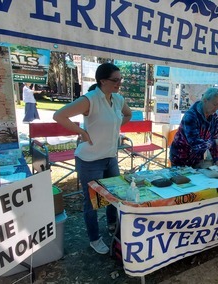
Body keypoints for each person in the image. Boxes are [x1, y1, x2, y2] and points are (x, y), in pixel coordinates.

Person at [53, 63, 132, 255]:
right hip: (89, 159)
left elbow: (128, 114)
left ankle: (112, 225)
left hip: (110, 157)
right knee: (92, 202)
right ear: (102, 81)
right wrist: (80, 132)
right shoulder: (90, 99)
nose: (119, 83)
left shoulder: (118, 99)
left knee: (116, 195)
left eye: (120, 79)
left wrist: (114, 127)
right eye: (115, 80)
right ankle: (94, 239)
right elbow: (59, 115)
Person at [169, 88, 218, 168]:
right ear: (205, 101)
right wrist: (214, 142)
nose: (217, 108)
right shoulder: (191, 116)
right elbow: (195, 143)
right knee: (182, 179)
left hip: (197, 158)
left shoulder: (214, 118)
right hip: (180, 157)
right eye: (215, 104)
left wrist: (216, 158)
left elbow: (214, 138)